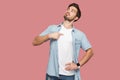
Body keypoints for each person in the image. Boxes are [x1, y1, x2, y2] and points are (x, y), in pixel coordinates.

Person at [32, 3, 94, 80]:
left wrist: (77, 65)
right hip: (52, 75)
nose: (68, 11)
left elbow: (90, 51)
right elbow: (35, 41)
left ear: (76, 18)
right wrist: (49, 36)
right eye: (68, 9)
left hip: (69, 75)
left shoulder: (79, 34)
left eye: (72, 11)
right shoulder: (52, 28)